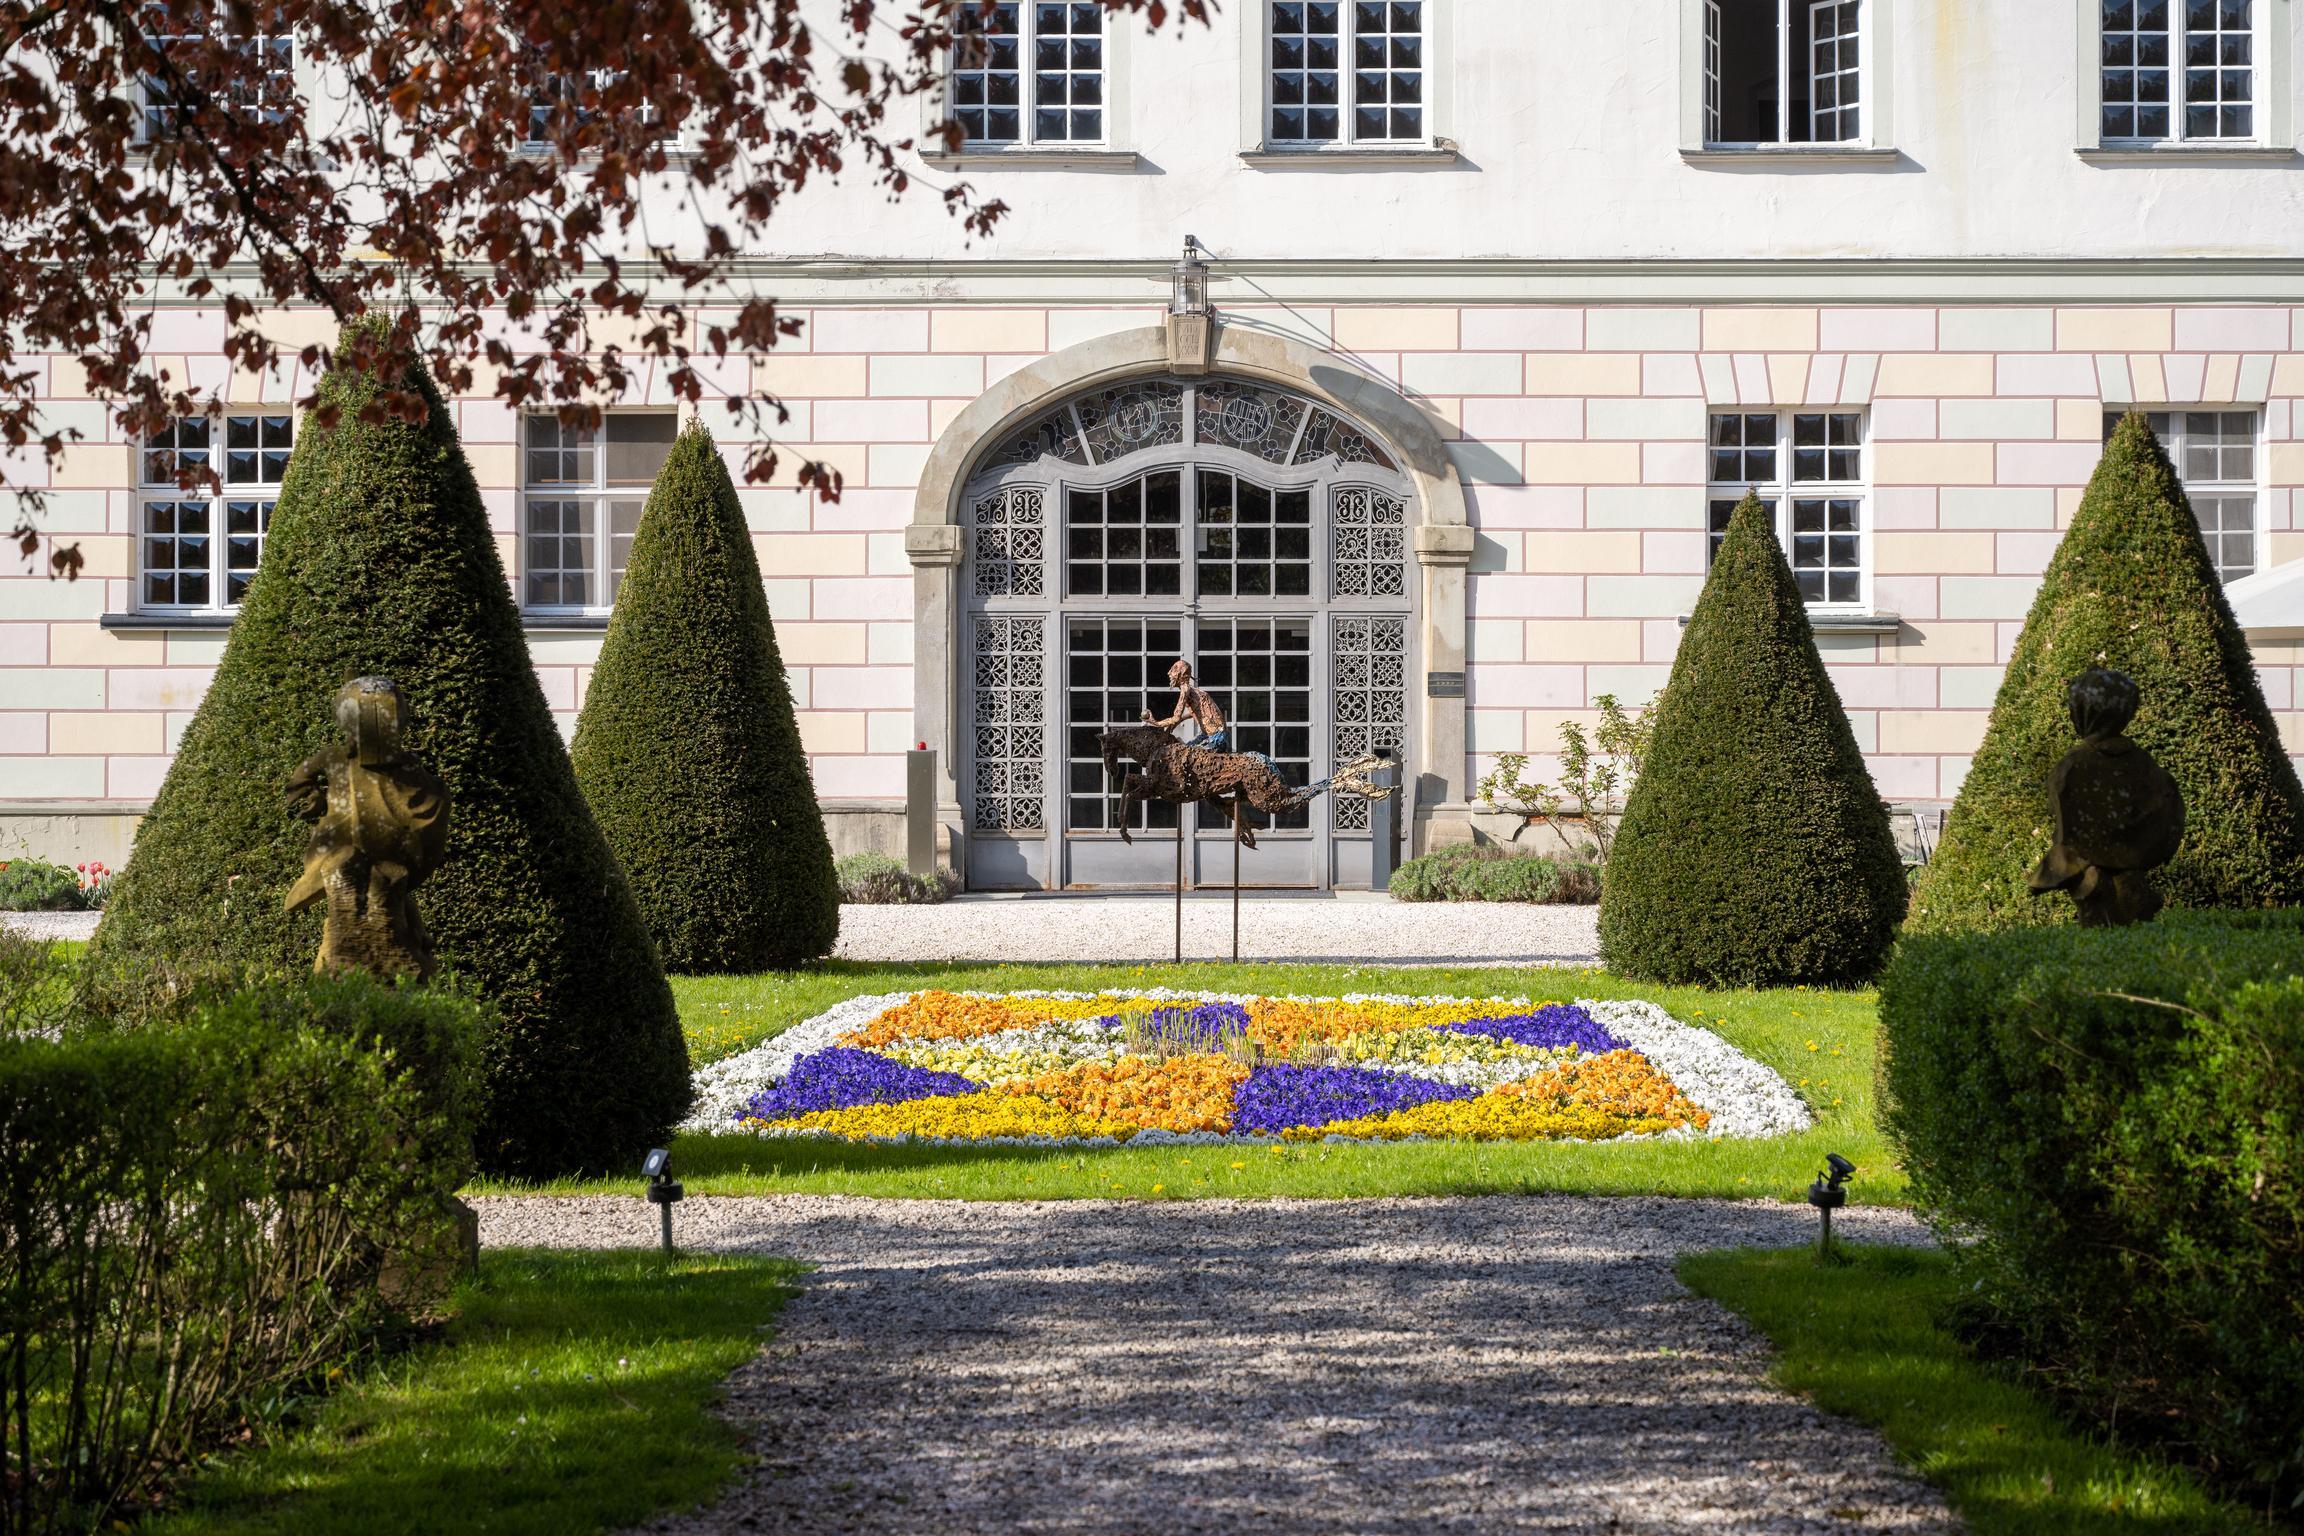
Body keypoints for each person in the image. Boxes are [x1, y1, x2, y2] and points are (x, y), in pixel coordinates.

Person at [1142, 659, 1278, 771]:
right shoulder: (1194, 691)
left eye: (1173, 671)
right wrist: (1178, 721)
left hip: (1215, 737)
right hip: (1209, 734)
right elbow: (1195, 712)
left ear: (1180, 674)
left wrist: (1156, 723)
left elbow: (1176, 716)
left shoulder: (1185, 689)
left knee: (1186, 758)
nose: (1169, 674)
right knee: (1184, 750)